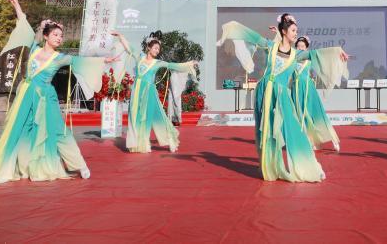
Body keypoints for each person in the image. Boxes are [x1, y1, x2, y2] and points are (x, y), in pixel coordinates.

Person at [0, 0, 115, 184]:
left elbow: (81, 61)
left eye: (61, 36)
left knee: (58, 130)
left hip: (46, 98)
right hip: (26, 94)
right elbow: (25, 27)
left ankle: (79, 164)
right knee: (21, 129)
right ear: (45, 36)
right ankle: (25, 166)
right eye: (55, 35)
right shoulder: (34, 49)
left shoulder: (60, 58)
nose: (59, 38)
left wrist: (103, 60)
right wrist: (16, 5)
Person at [217, 14, 348, 182]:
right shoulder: (271, 46)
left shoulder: (296, 54)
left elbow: (313, 54)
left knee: (294, 128)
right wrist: (234, 27)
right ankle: (270, 167)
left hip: (282, 94)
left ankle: (308, 166)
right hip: (265, 91)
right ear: (284, 31)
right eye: (293, 30)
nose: (296, 33)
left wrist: (336, 52)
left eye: (296, 31)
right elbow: (253, 37)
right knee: (266, 131)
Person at [111, 31, 197, 154]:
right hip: (137, 92)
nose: (157, 51)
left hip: (149, 93)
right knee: (135, 117)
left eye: (158, 49)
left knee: (156, 116)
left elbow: (172, 65)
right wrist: (120, 36)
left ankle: (170, 140)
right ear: (149, 48)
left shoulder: (157, 63)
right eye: (155, 48)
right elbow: (129, 47)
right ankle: (138, 144)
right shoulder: (139, 57)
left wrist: (189, 64)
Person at [292, 36, 340, 151]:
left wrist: (336, 55)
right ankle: (308, 141)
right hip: (296, 90)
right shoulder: (292, 58)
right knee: (298, 115)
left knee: (315, 114)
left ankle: (333, 139)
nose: (300, 48)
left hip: (308, 90)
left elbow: (324, 57)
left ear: (306, 48)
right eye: (298, 46)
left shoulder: (310, 58)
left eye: (302, 46)